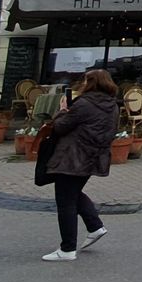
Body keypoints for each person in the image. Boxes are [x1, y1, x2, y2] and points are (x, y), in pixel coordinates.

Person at [40, 68, 116, 261]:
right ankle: (95, 226)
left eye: (85, 80)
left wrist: (63, 110)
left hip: (73, 156)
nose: (82, 83)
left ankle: (67, 248)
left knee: (65, 200)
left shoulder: (84, 104)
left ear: (91, 83)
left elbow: (60, 126)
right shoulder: (112, 106)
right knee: (73, 193)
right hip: (94, 156)